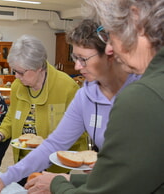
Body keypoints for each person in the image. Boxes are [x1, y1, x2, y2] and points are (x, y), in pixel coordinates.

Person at [0, 19, 141, 194]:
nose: (78, 66)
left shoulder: (140, 93)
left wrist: (69, 179)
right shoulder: (84, 96)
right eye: (75, 58)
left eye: (83, 59)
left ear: (109, 53)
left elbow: (138, 168)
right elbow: (54, 144)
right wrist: (7, 177)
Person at [28, 0, 164, 193]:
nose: (109, 49)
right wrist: (72, 180)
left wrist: (57, 184)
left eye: (112, 35)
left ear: (135, 20)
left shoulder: (142, 97)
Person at [0, 34, 88, 185]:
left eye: (21, 72)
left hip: (54, 167)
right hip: (24, 163)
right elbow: (11, 117)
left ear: (39, 67)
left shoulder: (67, 87)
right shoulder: (18, 86)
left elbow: (80, 132)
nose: (16, 77)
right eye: (14, 71)